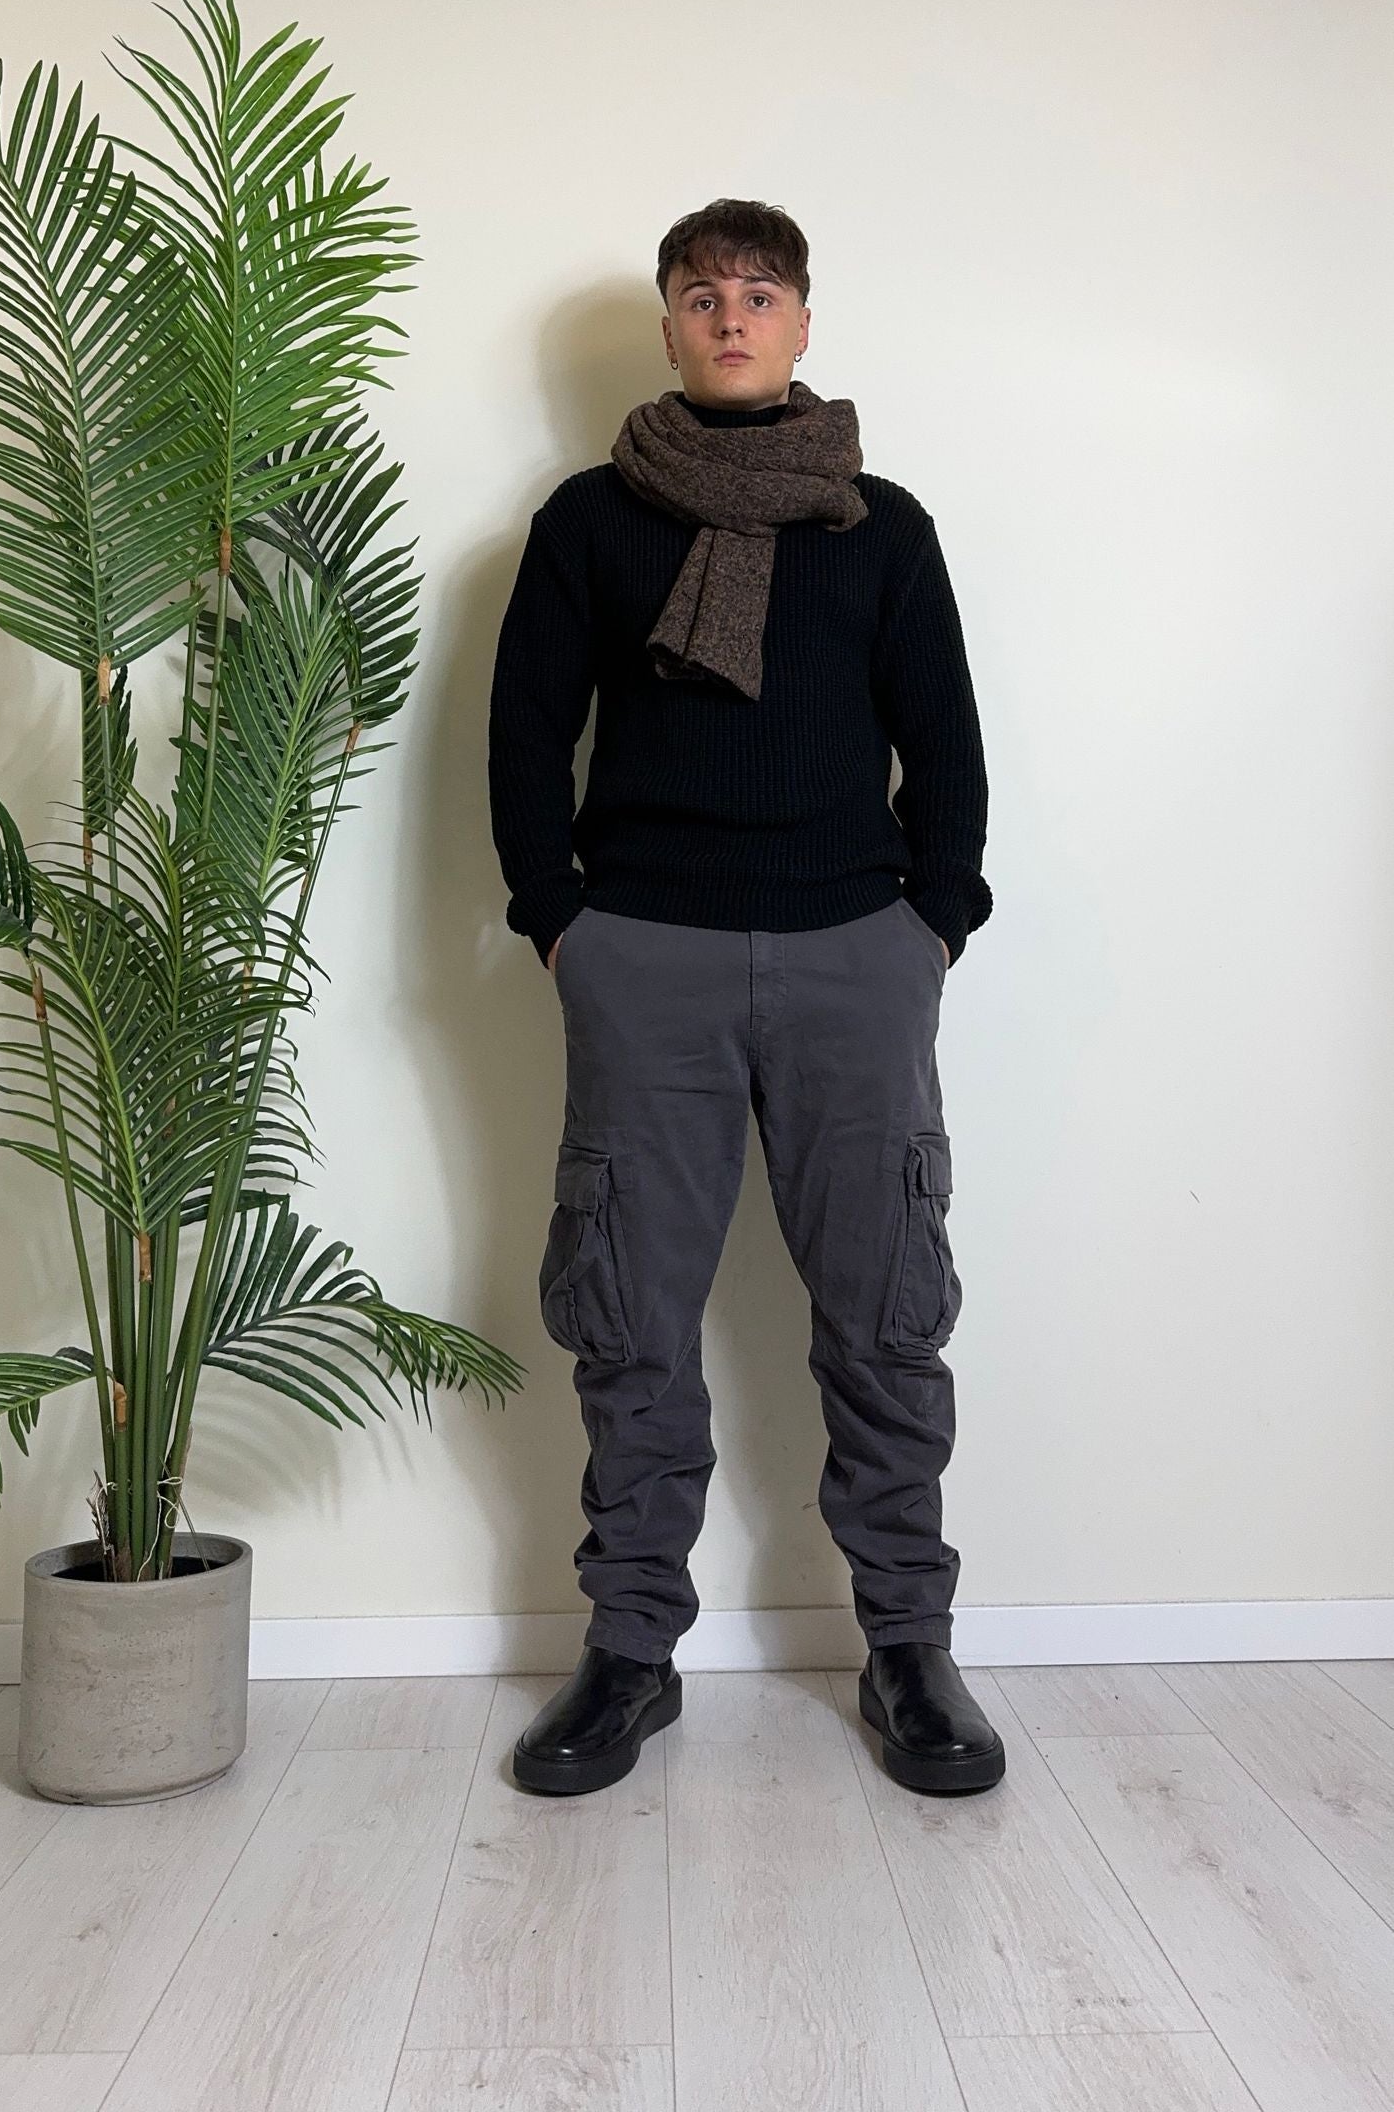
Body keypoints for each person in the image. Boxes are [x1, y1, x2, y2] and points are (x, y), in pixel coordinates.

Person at [487, 197, 1004, 1799]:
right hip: (645, 955)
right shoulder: (591, 520)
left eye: (760, 294)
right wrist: (562, 921)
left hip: (857, 953)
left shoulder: (882, 525)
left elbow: (947, 741)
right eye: (703, 294)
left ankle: (908, 1648)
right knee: (629, 1315)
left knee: (888, 1313)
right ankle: (631, 1651)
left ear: (801, 324)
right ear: (668, 325)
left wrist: (933, 921)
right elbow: (524, 734)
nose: (731, 317)